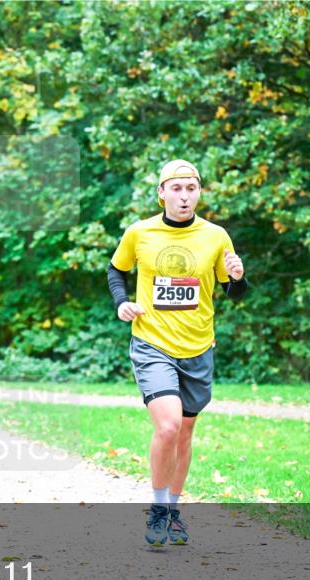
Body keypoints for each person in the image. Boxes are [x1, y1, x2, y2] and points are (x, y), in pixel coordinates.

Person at [107, 160, 248, 547]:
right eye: (177, 188)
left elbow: (234, 292)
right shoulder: (140, 232)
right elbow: (115, 270)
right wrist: (122, 303)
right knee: (167, 426)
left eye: (191, 188)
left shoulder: (216, 236)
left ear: (198, 192)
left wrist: (237, 277)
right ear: (162, 193)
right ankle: (156, 507)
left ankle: (173, 509)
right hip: (152, 342)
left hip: (198, 347)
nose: (185, 196)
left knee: (185, 433)